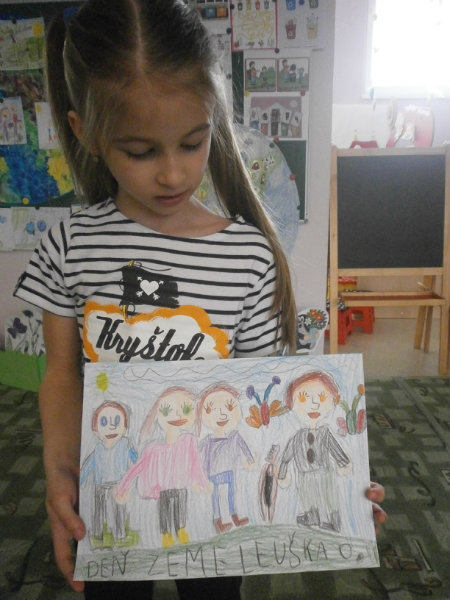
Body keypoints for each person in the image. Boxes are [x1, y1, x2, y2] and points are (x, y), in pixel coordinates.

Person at [13, 0, 386, 597]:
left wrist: (342, 485)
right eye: (141, 152)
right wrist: (59, 471)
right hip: (115, 494)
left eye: (192, 143)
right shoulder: (69, 245)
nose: (172, 174)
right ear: (86, 133)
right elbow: (62, 375)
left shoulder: (248, 256)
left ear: (212, 118)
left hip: (214, 485)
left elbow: (270, 398)